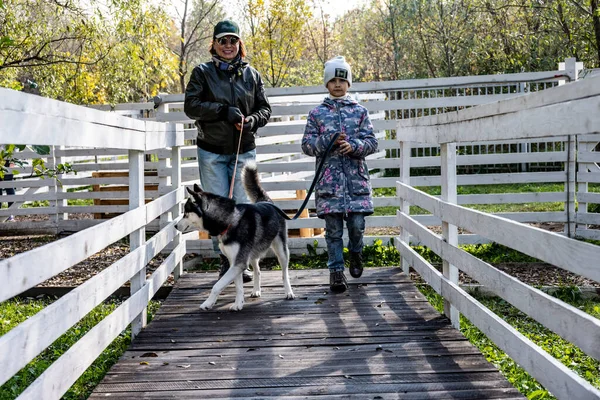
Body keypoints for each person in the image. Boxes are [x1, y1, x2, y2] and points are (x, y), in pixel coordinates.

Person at [184, 20, 272, 282]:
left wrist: (254, 120)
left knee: (243, 208)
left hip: (243, 151)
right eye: (222, 40)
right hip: (211, 152)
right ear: (214, 44)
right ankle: (225, 263)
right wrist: (223, 111)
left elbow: (265, 109)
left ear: (239, 44)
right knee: (215, 209)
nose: (228, 45)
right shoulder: (202, 73)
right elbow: (192, 106)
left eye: (233, 40)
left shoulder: (252, 75)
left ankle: (241, 263)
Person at [301, 56, 378, 293]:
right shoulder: (317, 114)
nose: (337, 84)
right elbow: (307, 144)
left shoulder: (360, 112)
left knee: (357, 225)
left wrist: (354, 146)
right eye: (332, 80)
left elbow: (372, 143)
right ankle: (336, 272)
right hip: (329, 185)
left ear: (349, 84)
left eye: (342, 80)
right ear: (326, 83)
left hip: (356, 184)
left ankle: (356, 253)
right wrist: (327, 140)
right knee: (333, 231)